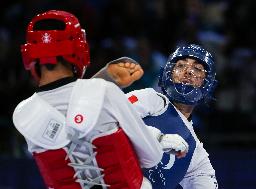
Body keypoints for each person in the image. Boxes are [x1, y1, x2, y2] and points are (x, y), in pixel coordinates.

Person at [12, 10, 188, 189]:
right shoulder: (103, 91)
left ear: (30, 56)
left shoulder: (24, 114)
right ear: (79, 48)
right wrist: (156, 137)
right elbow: (151, 157)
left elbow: (69, 130)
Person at [99, 44, 218, 189]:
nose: (188, 72)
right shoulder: (149, 99)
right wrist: (155, 137)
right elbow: (103, 120)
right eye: (180, 66)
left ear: (206, 83)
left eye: (197, 69)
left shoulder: (197, 155)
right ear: (169, 73)